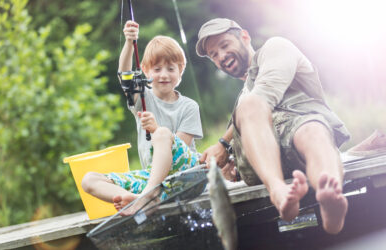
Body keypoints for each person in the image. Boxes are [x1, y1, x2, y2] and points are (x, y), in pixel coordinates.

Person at [195, 18, 350, 234]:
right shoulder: (242, 97)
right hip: (267, 165)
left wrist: (223, 142)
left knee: (312, 130)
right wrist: (232, 163)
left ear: (245, 37)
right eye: (214, 55)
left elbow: (265, 94)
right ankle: (279, 192)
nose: (221, 56)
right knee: (249, 105)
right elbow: (251, 111)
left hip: (301, 131)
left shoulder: (276, 48)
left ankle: (330, 196)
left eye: (224, 45)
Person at [81, 20, 203, 214]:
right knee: (89, 180)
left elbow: (180, 147)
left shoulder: (189, 106)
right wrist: (129, 43)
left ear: (181, 71)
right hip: (153, 181)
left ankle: (147, 196)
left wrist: (156, 130)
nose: (164, 75)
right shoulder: (141, 97)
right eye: (157, 69)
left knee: (162, 134)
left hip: (185, 178)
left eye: (171, 69)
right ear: (145, 71)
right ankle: (137, 201)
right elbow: (125, 76)